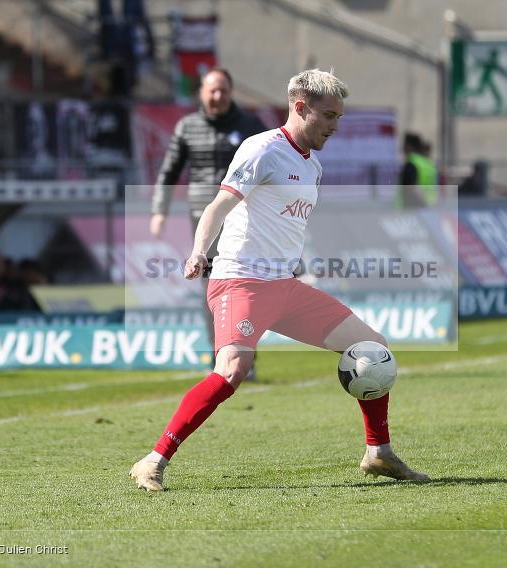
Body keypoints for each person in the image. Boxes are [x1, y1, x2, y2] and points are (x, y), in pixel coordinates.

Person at [130, 69, 430, 491]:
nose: (334, 126)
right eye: (328, 115)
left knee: (372, 347)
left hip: (284, 286)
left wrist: (305, 265)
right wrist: (200, 250)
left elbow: (286, 227)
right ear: (300, 107)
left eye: (339, 117)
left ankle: (378, 453)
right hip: (240, 281)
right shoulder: (261, 150)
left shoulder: (314, 166)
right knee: (234, 368)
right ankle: (153, 460)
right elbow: (217, 207)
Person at [150, 68, 266, 370]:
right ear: (201, 92)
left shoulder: (251, 126)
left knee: (244, 285)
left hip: (243, 217)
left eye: (223, 90)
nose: (217, 96)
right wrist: (159, 211)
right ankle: (219, 356)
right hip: (203, 220)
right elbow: (169, 171)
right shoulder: (187, 127)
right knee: (211, 287)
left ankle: (245, 357)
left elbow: (271, 166)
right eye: (212, 90)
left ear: (231, 92)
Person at [398, 132, 439, 208]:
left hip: (413, 210)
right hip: (430, 208)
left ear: (409, 146)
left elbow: (413, 189)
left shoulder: (412, 163)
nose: (402, 147)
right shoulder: (429, 164)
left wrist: (423, 206)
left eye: (404, 144)